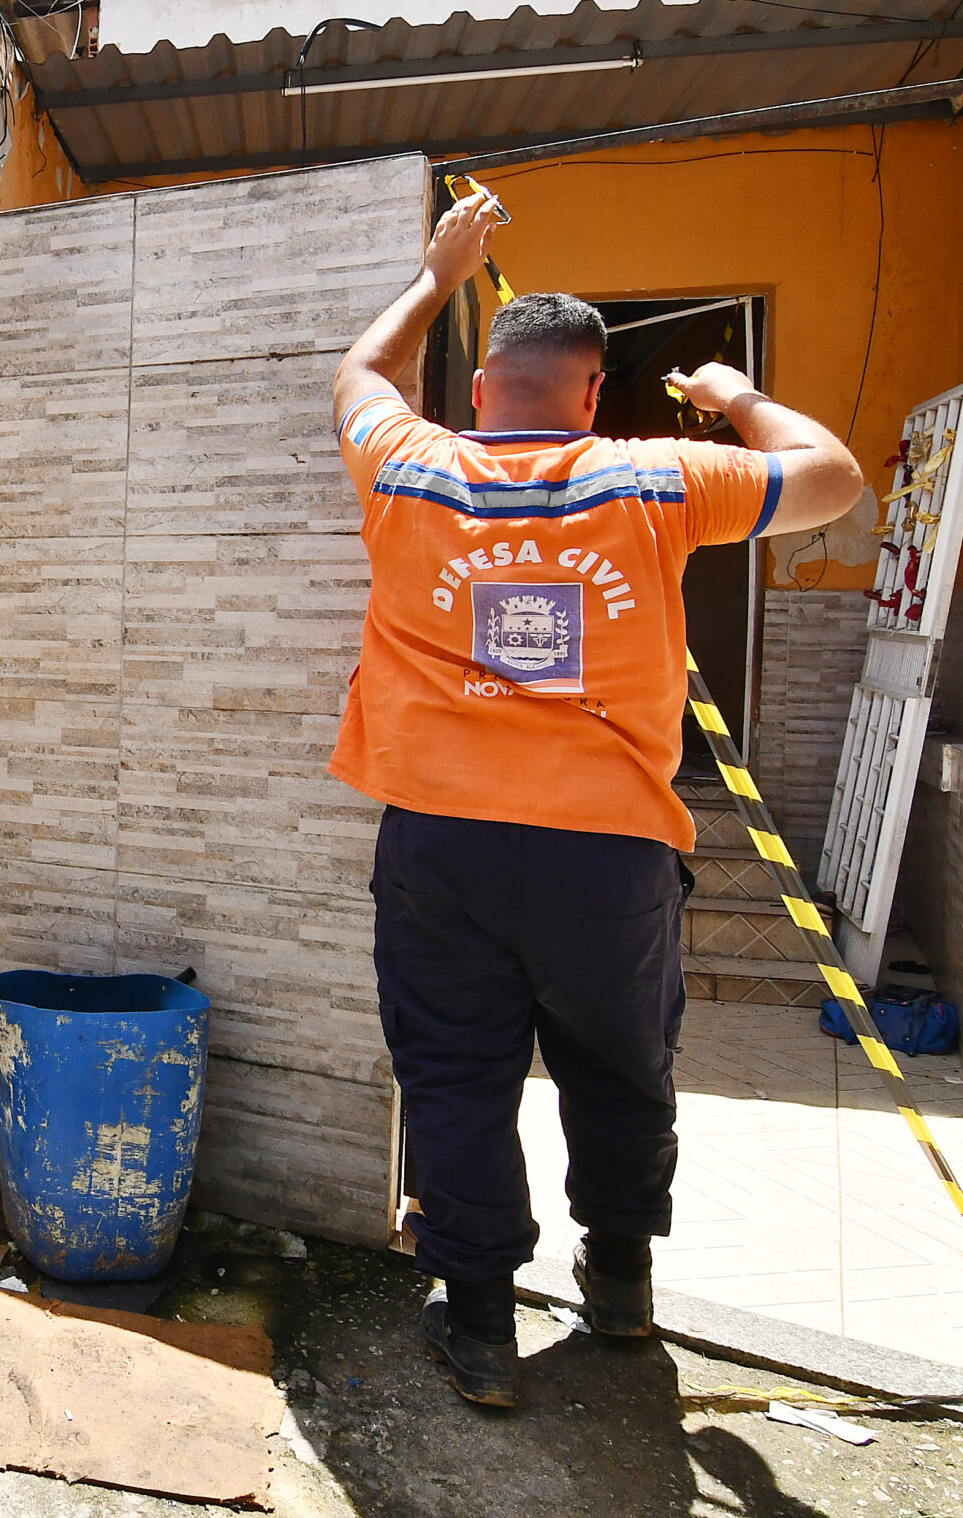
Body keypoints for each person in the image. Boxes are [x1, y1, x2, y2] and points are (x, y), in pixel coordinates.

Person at [331, 191, 864, 1407]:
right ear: (588, 395)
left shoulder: (409, 464)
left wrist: (438, 274)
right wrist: (733, 394)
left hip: (443, 848)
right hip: (608, 856)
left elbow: (360, 373)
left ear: (481, 391)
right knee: (620, 1070)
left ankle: (480, 1329)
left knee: (456, 1074)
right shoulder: (658, 476)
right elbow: (831, 477)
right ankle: (619, 1286)